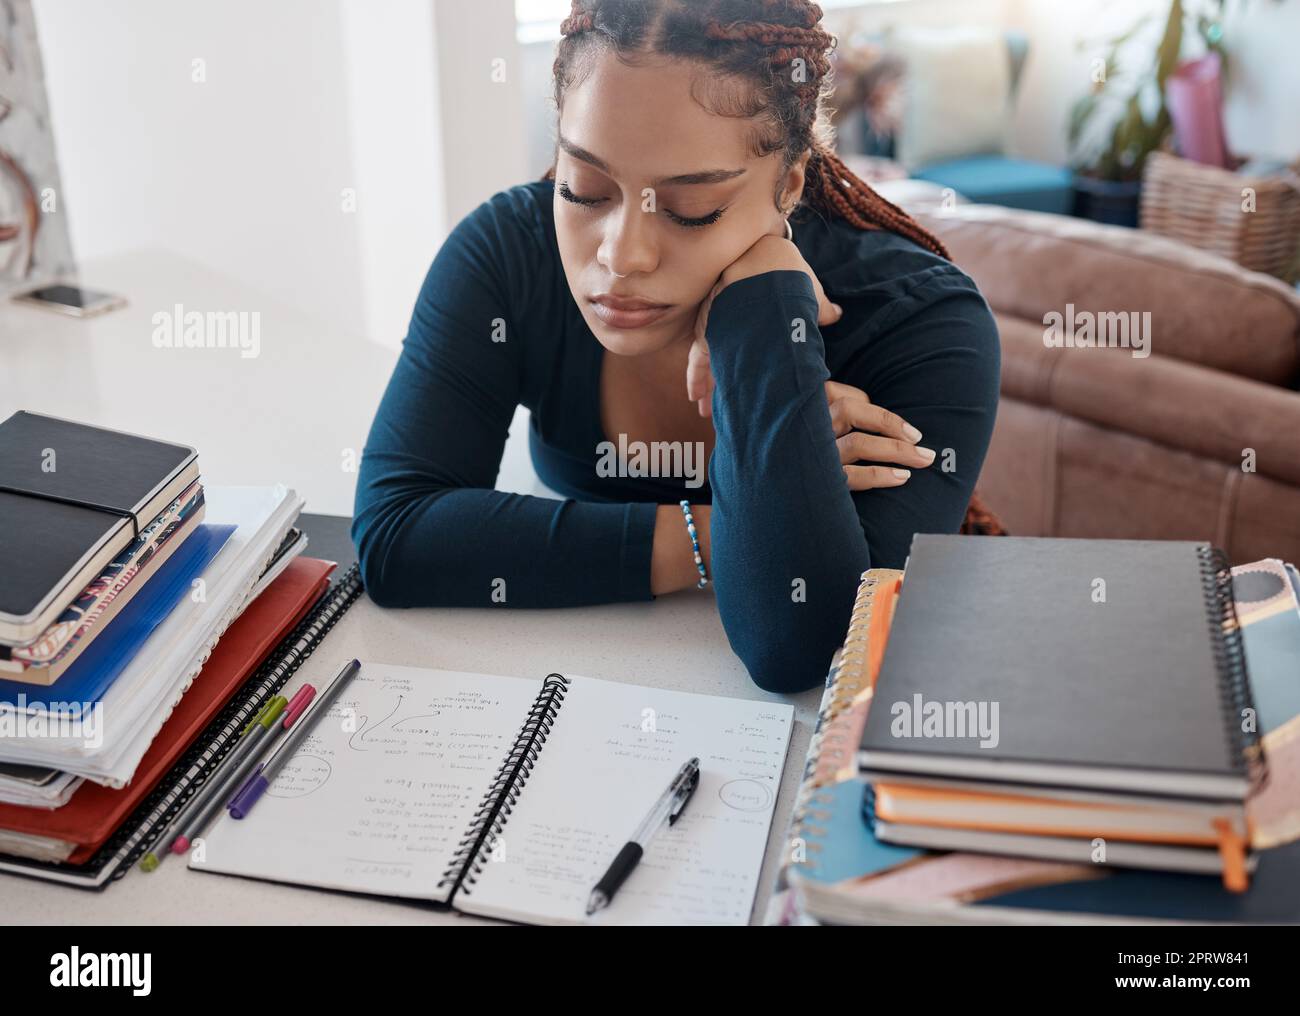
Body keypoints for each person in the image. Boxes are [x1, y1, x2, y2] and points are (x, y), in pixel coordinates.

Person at [353, 0, 1003, 694]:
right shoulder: (509, 256)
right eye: (584, 188)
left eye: (691, 209)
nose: (623, 253)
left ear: (788, 185)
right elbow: (398, 537)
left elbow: (798, 643)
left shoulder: (924, 325)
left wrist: (761, 308)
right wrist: (732, 524)